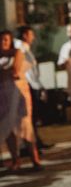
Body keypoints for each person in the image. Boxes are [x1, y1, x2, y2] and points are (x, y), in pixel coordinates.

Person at [0, 30, 42, 171]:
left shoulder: (17, 52)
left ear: (10, 40)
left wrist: (10, 72)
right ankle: (15, 160)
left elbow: (15, 71)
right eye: (1, 40)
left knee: (25, 126)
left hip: (17, 94)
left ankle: (35, 159)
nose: (3, 42)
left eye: (5, 39)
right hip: (3, 96)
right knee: (8, 129)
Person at [16, 25, 51, 151]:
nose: (33, 37)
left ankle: (35, 142)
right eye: (31, 34)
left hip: (32, 85)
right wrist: (38, 87)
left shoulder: (25, 48)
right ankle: (28, 146)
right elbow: (28, 71)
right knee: (29, 117)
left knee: (33, 117)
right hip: (29, 86)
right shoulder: (21, 48)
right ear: (25, 35)